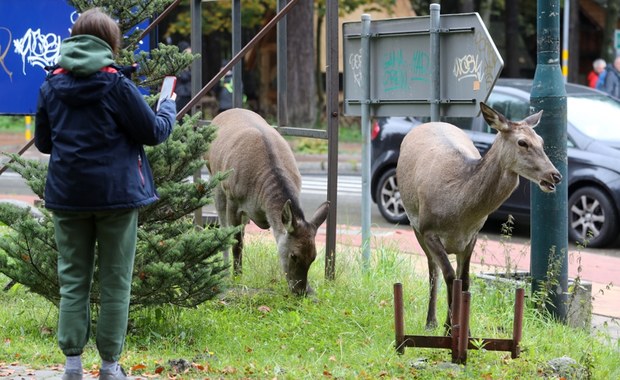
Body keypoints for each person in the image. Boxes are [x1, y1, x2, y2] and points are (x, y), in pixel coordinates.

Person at [34, 8, 176, 380]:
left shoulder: (50, 85)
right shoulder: (117, 85)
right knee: (115, 279)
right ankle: (111, 367)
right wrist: (168, 108)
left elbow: (46, 144)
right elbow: (154, 132)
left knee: (73, 278)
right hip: (117, 198)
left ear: (76, 38)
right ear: (110, 43)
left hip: (67, 197)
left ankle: (71, 366)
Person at [175, 41, 192, 111]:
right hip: (182, 96)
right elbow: (184, 77)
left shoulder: (190, 66)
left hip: (189, 95)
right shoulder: (178, 65)